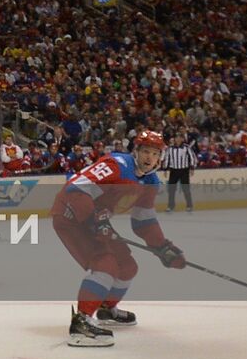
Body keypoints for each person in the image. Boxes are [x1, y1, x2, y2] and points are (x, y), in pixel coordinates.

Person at [51, 130, 186, 347]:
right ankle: (81, 323)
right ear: (136, 152)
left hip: (96, 221)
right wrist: (94, 221)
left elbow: (144, 222)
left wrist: (162, 247)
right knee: (105, 265)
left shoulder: (150, 182)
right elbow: (76, 189)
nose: (149, 158)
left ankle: (106, 308)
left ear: (160, 158)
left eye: (154, 153)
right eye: (145, 151)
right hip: (71, 217)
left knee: (127, 267)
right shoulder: (117, 164)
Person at [161, 134, 197, 213]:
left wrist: (192, 168)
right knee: (171, 189)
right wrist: (165, 169)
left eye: (179, 137)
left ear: (182, 139)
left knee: (186, 189)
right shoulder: (170, 148)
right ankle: (171, 206)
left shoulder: (186, 148)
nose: (177, 139)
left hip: (184, 170)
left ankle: (189, 205)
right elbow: (167, 158)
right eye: (176, 137)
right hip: (173, 170)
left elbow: (192, 157)